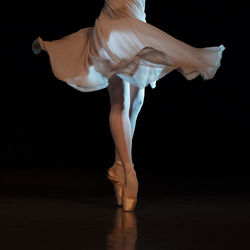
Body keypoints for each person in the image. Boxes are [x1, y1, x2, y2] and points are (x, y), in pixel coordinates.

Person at [32, 0, 225, 212]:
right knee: (121, 103)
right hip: (113, 29)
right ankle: (130, 174)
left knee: (137, 100)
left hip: (136, 27)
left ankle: (119, 168)